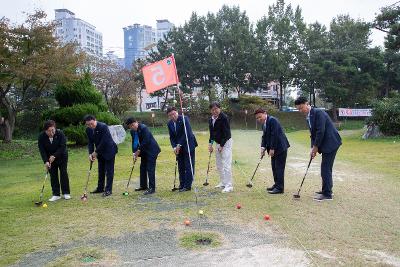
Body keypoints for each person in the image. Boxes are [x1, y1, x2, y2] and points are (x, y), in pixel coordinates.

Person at [294, 97, 342, 201]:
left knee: (325, 168)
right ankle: (327, 189)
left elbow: (321, 131)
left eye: (301, 108)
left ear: (307, 104)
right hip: (326, 143)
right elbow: (313, 134)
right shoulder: (309, 116)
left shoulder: (318, 113)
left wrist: (315, 147)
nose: (300, 111)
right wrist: (313, 148)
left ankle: (327, 194)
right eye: (298, 109)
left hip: (331, 142)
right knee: (326, 168)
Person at [254, 108, 290, 194]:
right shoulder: (264, 124)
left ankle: (280, 188)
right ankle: (276, 185)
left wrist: (272, 148)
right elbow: (264, 137)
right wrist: (263, 148)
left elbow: (275, 135)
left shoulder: (273, 120)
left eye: (260, 117)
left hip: (280, 148)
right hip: (273, 148)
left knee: (279, 168)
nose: (259, 119)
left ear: (265, 113)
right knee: (274, 167)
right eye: (257, 118)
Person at [84, 115, 118, 197]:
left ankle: (108, 190)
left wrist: (96, 152)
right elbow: (90, 142)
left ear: (95, 120)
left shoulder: (103, 126)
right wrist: (90, 153)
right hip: (100, 152)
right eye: (88, 124)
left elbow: (104, 141)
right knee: (101, 170)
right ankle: (100, 188)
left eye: (91, 124)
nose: (90, 126)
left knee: (109, 171)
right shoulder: (88, 130)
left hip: (109, 150)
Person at [125, 117, 161, 195]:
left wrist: (138, 151)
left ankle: (152, 188)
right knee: (142, 168)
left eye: (132, 125)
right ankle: (143, 185)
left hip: (152, 150)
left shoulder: (144, 128)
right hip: (144, 151)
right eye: (130, 126)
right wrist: (134, 153)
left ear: (136, 122)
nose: (132, 127)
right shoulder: (132, 132)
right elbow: (134, 143)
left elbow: (146, 141)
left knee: (150, 168)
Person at [38, 120, 71, 201]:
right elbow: (42, 150)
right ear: (45, 130)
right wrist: (45, 161)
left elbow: (62, 147)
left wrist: (54, 156)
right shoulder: (41, 137)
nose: (52, 132)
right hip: (50, 158)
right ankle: (56, 194)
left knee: (63, 172)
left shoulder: (60, 133)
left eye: (53, 130)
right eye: (49, 131)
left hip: (62, 156)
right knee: (53, 174)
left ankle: (66, 193)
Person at [166, 107, 198, 192]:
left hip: (188, 144)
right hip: (178, 147)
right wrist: (174, 147)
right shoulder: (169, 123)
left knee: (189, 165)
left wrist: (179, 144)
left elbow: (186, 133)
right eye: (170, 115)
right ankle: (182, 184)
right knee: (181, 166)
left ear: (177, 112)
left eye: (174, 114)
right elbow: (172, 137)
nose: (173, 116)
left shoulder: (184, 119)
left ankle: (187, 186)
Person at [208, 102, 234, 193]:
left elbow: (227, 134)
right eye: (212, 109)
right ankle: (223, 182)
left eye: (216, 109)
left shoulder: (224, 118)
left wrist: (222, 145)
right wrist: (210, 144)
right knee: (219, 165)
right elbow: (212, 134)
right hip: (218, 143)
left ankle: (229, 185)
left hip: (226, 143)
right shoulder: (211, 119)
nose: (214, 111)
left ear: (220, 109)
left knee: (226, 164)